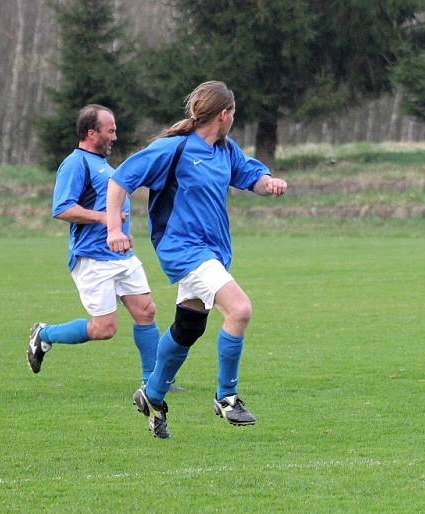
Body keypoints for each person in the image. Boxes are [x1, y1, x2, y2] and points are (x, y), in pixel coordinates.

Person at [106, 81, 287, 439]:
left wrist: (270, 182)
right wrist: (114, 228)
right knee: (240, 309)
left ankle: (153, 395)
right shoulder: (173, 149)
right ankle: (227, 396)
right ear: (224, 114)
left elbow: (251, 176)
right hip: (182, 248)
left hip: (213, 252)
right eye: (233, 113)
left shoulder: (224, 151)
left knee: (189, 327)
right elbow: (120, 179)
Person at [27, 104, 159, 387]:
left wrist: (122, 232)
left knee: (146, 311)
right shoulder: (76, 163)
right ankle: (44, 334)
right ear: (91, 132)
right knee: (104, 329)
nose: (115, 136)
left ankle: (155, 383)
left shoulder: (105, 166)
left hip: (121, 256)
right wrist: (104, 218)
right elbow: (62, 208)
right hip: (92, 259)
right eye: (110, 130)